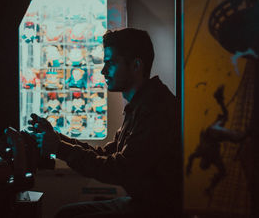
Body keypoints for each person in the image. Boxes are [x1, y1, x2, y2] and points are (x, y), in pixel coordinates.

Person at [29, 28, 181, 217]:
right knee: (66, 214)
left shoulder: (155, 109)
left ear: (136, 65)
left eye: (111, 63)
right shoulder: (141, 105)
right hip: (143, 202)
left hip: (156, 209)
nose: (103, 70)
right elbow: (106, 153)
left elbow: (120, 169)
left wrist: (60, 148)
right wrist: (57, 139)